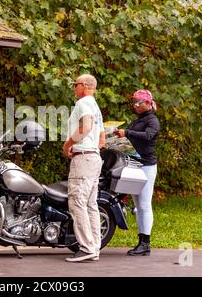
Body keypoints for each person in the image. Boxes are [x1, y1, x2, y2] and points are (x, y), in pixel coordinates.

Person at [63, 74, 105, 262]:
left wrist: (68, 144)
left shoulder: (83, 103)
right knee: (90, 204)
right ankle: (94, 247)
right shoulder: (96, 106)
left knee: (77, 201)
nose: (74, 88)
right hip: (95, 157)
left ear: (86, 85)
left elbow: (86, 126)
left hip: (84, 157)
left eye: (76, 84)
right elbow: (102, 139)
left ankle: (87, 247)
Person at [113, 89, 160, 256]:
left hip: (146, 167)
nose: (136, 106)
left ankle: (145, 242)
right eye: (134, 103)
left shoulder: (152, 120)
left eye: (138, 103)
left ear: (148, 103)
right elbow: (131, 140)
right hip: (134, 164)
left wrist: (127, 132)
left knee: (144, 205)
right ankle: (141, 241)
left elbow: (148, 136)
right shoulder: (138, 120)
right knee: (138, 206)